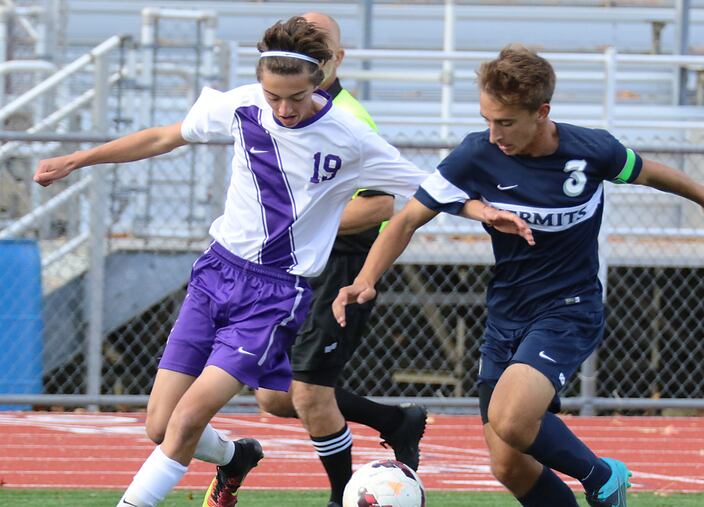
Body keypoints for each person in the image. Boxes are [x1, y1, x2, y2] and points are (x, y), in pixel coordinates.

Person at [32, 16, 437, 507]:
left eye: (295, 97)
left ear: (320, 78)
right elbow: (164, 137)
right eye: (273, 96)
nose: (283, 109)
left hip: (275, 293)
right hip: (215, 273)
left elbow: (427, 190)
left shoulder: (349, 131)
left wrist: (490, 207)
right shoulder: (243, 104)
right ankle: (234, 456)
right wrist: (79, 159)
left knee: (193, 418)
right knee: (161, 425)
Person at [333, 46, 704, 507]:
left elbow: (649, 173)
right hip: (505, 315)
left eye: (505, 122)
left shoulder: (591, 149)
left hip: (568, 310)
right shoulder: (476, 154)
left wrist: (703, 196)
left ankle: (603, 476)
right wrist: (366, 278)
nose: (494, 133)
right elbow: (407, 219)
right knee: (508, 464)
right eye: (487, 120)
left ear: (541, 112)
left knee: (511, 420)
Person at [242, 12, 427, 507]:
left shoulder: (347, 118)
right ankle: (395, 421)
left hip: (341, 267)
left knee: (307, 393)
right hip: (297, 268)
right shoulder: (286, 111)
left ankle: (340, 496)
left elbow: (379, 205)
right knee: (274, 394)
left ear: (334, 59)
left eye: (317, 48)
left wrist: (296, 224)